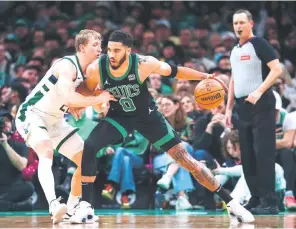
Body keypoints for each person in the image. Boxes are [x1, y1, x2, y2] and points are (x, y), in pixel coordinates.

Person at [70, 30, 254, 225]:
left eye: (117, 50)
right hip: (119, 117)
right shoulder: (99, 67)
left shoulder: (143, 63)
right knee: (90, 145)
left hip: (148, 118)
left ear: (128, 50)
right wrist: (81, 102)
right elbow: (85, 89)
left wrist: (204, 76)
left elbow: (176, 71)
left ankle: (232, 204)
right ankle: (86, 206)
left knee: (187, 160)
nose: (112, 55)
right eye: (110, 50)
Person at [15, 30, 115, 224]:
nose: (99, 48)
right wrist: (92, 99)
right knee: (46, 150)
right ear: (82, 47)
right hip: (33, 114)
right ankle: (53, 204)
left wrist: (100, 103)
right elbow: (69, 97)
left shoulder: (91, 72)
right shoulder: (66, 66)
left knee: (87, 160)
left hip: (56, 121)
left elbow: (95, 104)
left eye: (100, 44)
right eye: (95, 44)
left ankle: (70, 209)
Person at [225, 9, 283, 214]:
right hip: (242, 107)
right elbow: (234, 78)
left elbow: (277, 69)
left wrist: (259, 91)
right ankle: (256, 199)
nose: (238, 26)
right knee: (247, 155)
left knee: (263, 153)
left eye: (242, 22)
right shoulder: (234, 49)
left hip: (262, 104)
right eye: (235, 23)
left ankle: (270, 202)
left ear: (251, 23)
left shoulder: (260, 44)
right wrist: (229, 108)